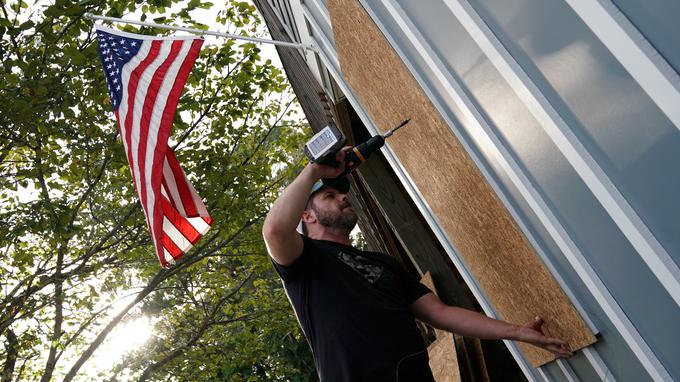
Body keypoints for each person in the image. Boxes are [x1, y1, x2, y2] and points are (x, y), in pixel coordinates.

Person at [262, 148, 571, 381]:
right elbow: (274, 230)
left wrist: (516, 331)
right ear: (308, 216)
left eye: (342, 194)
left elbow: (442, 314)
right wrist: (314, 171)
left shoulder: (384, 264)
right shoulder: (305, 261)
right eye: (330, 196)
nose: (344, 199)